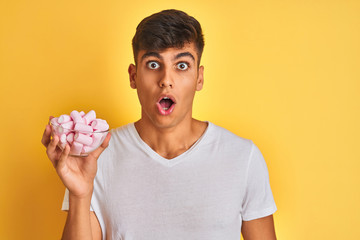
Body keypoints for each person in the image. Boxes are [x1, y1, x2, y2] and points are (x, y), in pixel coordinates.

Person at [42, 9, 277, 240]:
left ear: (199, 78)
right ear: (133, 76)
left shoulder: (242, 157)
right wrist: (80, 195)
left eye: (182, 65)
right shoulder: (97, 156)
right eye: (154, 64)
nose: (166, 80)